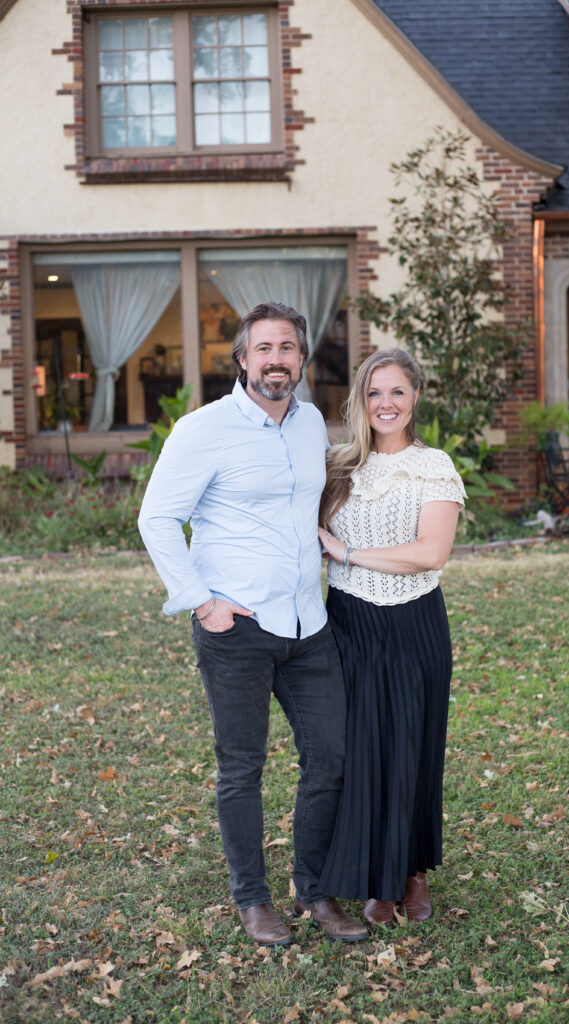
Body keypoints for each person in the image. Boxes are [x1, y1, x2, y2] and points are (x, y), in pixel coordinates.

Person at [138, 301, 368, 948]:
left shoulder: (310, 425)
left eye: (287, 347)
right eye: (263, 348)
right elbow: (157, 518)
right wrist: (201, 602)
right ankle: (253, 899)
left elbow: (318, 500)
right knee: (242, 766)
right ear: (241, 360)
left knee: (329, 757)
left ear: (301, 358)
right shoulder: (202, 429)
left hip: (308, 625)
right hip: (235, 627)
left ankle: (315, 890)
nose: (276, 359)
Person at [317, 348, 466, 926]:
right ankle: (376, 877)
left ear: (415, 398)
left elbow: (431, 553)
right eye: (374, 392)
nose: (386, 403)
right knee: (363, 747)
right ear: (360, 400)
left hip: (414, 622)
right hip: (350, 622)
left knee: (414, 743)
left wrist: (348, 552)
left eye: (397, 391)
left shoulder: (434, 466)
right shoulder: (336, 467)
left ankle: (413, 872)